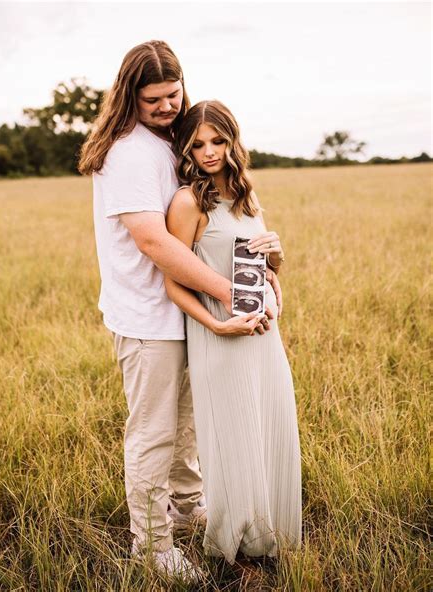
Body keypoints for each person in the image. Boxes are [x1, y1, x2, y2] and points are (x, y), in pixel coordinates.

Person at [78, 41, 281, 582]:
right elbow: (153, 243)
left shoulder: (169, 141)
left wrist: (259, 266)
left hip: (185, 313)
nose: (168, 106)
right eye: (154, 100)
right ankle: (153, 546)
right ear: (129, 96)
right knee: (153, 433)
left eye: (174, 95)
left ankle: (190, 509)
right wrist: (229, 293)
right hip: (147, 316)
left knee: (186, 425)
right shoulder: (128, 151)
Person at [164, 100, 302, 565]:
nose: (208, 152)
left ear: (232, 141)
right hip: (219, 335)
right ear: (185, 147)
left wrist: (277, 255)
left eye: (218, 141)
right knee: (234, 435)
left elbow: (265, 266)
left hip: (264, 333)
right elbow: (173, 282)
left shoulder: (247, 194)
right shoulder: (187, 202)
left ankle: (273, 537)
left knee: (270, 424)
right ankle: (236, 548)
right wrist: (216, 325)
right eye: (198, 143)